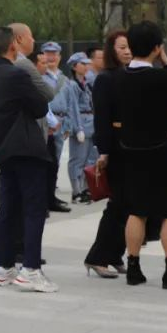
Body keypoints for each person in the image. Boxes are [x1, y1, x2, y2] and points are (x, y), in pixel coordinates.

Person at [112, 22, 167, 288]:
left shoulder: (120, 78)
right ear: (157, 48)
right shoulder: (161, 77)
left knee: (137, 210)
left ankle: (133, 267)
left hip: (131, 150)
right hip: (162, 150)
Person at [0, 27, 57, 292]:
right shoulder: (17, 74)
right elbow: (40, 106)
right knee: (34, 209)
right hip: (26, 149)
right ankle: (31, 269)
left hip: (4, 149)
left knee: (7, 209)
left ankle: (3, 267)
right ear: (14, 45)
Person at [83, 31, 132, 278]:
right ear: (111, 50)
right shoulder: (105, 79)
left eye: (129, 46)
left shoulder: (132, 74)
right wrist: (103, 151)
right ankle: (97, 257)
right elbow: (102, 118)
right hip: (115, 148)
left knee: (127, 204)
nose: (127, 51)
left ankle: (114, 254)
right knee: (117, 204)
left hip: (132, 147)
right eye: (121, 47)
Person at [41, 42, 73, 213]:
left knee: (56, 162)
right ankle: (44, 197)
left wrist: (69, 125)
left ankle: (50, 195)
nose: (51, 57)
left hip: (61, 122)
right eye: (48, 53)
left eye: (54, 54)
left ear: (60, 57)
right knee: (46, 162)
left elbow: (70, 103)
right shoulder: (40, 77)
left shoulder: (64, 79)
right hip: (46, 123)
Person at [65, 52, 96, 204]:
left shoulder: (87, 83)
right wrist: (78, 128)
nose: (86, 66)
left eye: (87, 64)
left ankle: (85, 188)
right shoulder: (72, 85)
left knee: (90, 159)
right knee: (77, 159)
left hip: (91, 123)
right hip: (81, 123)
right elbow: (73, 108)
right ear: (74, 66)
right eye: (82, 64)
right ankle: (76, 191)